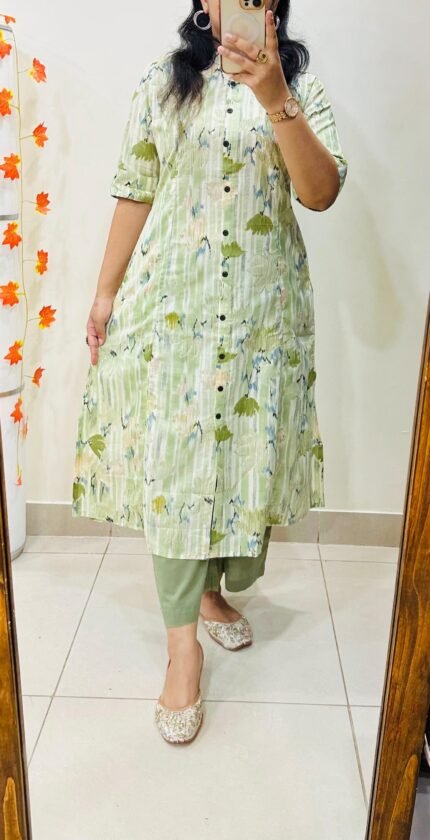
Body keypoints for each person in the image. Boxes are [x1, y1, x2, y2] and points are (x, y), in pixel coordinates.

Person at [71, 0, 348, 744]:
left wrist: (275, 98)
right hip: (173, 313)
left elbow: (320, 193)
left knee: (243, 463)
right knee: (176, 473)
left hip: (263, 317)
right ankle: (181, 650)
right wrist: (103, 294)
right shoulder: (162, 85)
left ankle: (214, 592)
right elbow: (135, 188)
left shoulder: (301, 88)